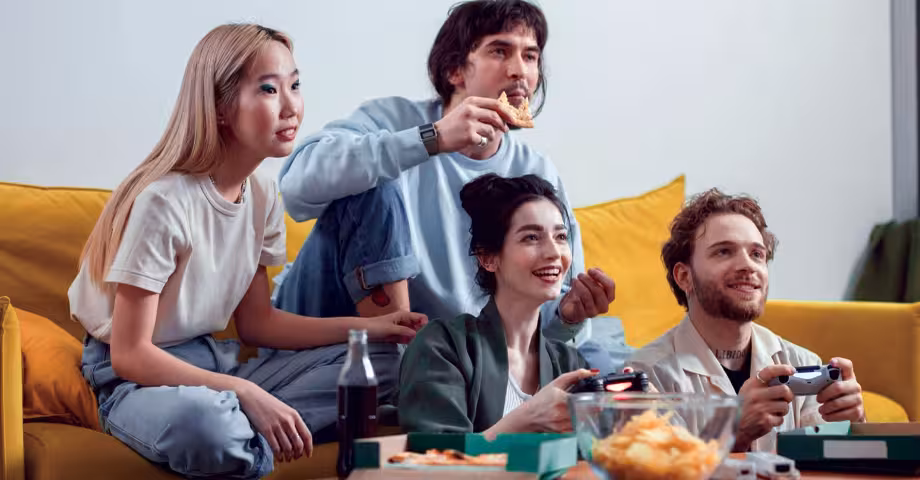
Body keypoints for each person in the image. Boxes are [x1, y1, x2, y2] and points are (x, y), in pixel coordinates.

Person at [68, 24, 425, 479]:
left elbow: (258, 323)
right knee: (207, 426)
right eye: (269, 89)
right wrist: (245, 393)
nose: (292, 106)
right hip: (137, 380)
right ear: (220, 108)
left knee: (384, 365)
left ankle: (247, 437)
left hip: (215, 364)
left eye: (295, 85)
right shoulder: (163, 202)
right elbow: (130, 354)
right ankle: (246, 435)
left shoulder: (261, 195)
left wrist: (372, 327)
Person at [273, 0, 628, 374]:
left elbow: (547, 328)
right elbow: (296, 189)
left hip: (451, 351)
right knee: (372, 181)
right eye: (500, 51)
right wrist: (432, 139)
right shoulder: (394, 121)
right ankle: (404, 372)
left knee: (606, 360)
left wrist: (570, 316)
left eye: (530, 56)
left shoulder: (535, 172)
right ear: (455, 69)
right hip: (325, 318)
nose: (519, 71)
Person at [627, 189, 865, 452]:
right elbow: (654, 470)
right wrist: (732, 433)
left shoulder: (802, 362)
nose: (748, 266)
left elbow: (827, 463)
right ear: (685, 277)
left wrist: (854, 428)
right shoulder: (647, 375)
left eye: (757, 254)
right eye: (724, 252)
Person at [399, 174, 596, 434]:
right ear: (488, 258)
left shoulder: (568, 362)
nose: (553, 253)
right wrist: (526, 419)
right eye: (531, 238)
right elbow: (435, 461)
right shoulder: (442, 346)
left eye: (560, 237)